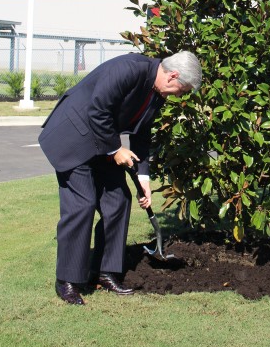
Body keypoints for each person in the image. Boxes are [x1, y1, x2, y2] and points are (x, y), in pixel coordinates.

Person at [39, 51, 202, 306]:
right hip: (73, 138)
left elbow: (142, 134)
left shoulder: (157, 92)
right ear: (173, 76)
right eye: (183, 90)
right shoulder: (129, 69)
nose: (180, 96)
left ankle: (104, 272)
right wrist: (116, 150)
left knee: (118, 201)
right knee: (82, 205)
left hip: (101, 142)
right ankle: (67, 280)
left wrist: (144, 178)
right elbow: (97, 108)